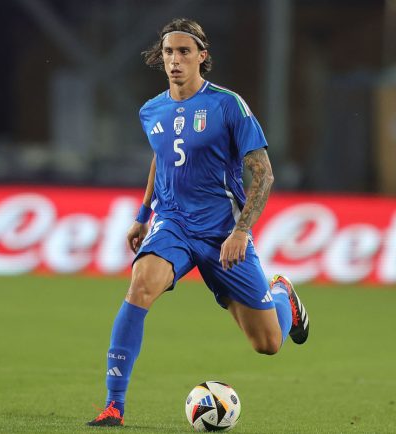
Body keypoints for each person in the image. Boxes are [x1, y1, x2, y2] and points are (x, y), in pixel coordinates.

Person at [87, 18, 309, 427]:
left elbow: (263, 173)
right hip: (173, 223)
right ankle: (114, 404)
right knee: (140, 284)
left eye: (184, 52)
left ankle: (282, 295)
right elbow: (162, 157)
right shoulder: (151, 110)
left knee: (267, 343)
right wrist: (143, 215)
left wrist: (241, 231)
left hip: (223, 233)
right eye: (168, 52)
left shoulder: (227, 105)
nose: (175, 60)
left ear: (201, 56)